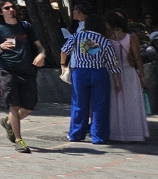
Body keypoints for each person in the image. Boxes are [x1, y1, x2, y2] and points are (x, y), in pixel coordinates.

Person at [0, 0, 45, 153]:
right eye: (7, 8)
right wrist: (0, 47)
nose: (11, 9)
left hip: (28, 71)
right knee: (14, 106)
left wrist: (41, 55)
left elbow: (40, 46)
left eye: (13, 7)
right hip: (8, 71)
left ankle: (8, 122)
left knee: (28, 108)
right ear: (1, 12)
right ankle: (19, 140)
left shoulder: (25, 26)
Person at [63, 13, 120, 145]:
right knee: (100, 106)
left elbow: (64, 50)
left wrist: (63, 65)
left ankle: (76, 134)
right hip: (99, 73)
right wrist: (117, 79)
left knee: (79, 104)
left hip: (80, 72)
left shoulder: (77, 36)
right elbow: (112, 62)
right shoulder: (105, 40)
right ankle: (98, 136)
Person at [104, 11, 149, 142]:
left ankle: (114, 132)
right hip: (128, 71)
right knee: (131, 103)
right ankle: (134, 132)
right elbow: (137, 57)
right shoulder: (131, 36)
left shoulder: (106, 36)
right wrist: (141, 74)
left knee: (113, 103)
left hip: (111, 71)